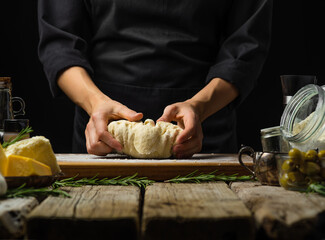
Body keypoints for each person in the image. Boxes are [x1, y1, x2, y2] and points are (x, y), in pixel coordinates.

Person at [37, 0, 272, 158]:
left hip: (203, 131)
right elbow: (60, 41)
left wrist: (199, 108)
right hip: (103, 133)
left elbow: (246, 45)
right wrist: (94, 103)